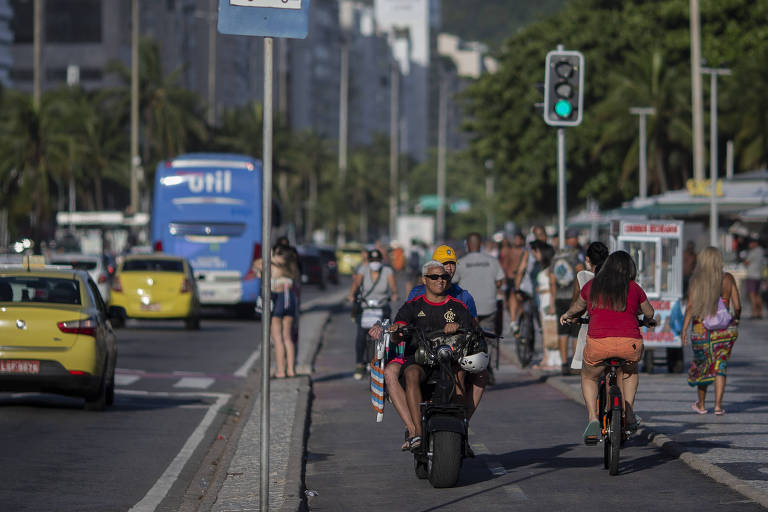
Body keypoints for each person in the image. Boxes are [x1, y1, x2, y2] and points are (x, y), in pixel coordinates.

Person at [371, 260, 475, 450]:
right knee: (410, 374)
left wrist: (458, 327)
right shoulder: (412, 306)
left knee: (463, 372)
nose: (440, 280)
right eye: (434, 277)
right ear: (424, 280)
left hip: (450, 362)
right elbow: (398, 331)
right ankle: (415, 432)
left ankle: (461, 430)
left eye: (443, 277)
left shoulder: (458, 306)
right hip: (420, 362)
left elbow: (471, 330)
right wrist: (395, 331)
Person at [560, 251, 655, 444]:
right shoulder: (634, 287)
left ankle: (593, 418)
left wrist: (567, 316)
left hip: (599, 344)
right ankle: (628, 415)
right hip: (630, 343)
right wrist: (647, 319)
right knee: (629, 372)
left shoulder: (591, 286)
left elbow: (577, 307)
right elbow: (649, 312)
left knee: (589, 376)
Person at [683, 247, 741, 415]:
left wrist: (684, 330)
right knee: (720, 365)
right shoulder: (728, 278)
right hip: (724, 331)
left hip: (701, 330)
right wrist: (736, 318)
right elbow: (737, 306)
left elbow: (690, 307)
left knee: (703, 365)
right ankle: (718, 406)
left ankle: (701, 405)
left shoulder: (696, 280)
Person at [347, 249, 398, 380]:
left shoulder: (387, 271)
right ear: (368, 261)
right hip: (366, 307)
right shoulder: (363, 270)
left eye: (377, 261)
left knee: (387, 333)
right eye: (372, 261)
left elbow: (393, 287)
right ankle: (359, 363)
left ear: (381, 261)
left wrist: (394, 295)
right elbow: (356, 283)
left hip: (381, 306)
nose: (375, 263)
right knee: (360, 334)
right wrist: (351, 295)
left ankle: (386, 360)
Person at [254, 245, 299, 378]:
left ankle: (281, 370)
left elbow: (256, 264)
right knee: (287, 337)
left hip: (277, 297)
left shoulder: (272, 266)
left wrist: (269, 256)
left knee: (277, 338)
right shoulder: (291, 266)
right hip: (289, 298)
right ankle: (291, 369)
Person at [570, 242, 609, 371]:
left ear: (588, 259)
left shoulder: (582, 277)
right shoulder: (614, 278)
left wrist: (573, 317)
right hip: (611, 331)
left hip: (590, 330)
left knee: (589, 376)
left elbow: (576, 304)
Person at [553, 229, 586, 375]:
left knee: (562, 331)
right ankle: (575, 364)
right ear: (569, 239)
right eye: (574, 237)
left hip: (559, 296)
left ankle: (563, 363)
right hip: (573, 297)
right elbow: (580, 273)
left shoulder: (557, 254)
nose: (576, 240)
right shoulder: (576, 254)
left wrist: (554, 296)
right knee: (575, 331)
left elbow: (552, 278)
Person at [532, 241, 560, 370]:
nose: (535, 255)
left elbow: (553, 286)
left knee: (551, 328)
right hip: (542, 299)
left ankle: (554, 359)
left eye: (537, 252)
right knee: (546, 328)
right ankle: (548, 357)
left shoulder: (550, 269)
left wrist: (553, 303)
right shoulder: (543, 268)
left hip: (548, 299)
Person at [499, 233, 526, 332]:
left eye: (519, 239)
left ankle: (519, 319)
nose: (517, 241)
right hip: (511, 277)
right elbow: (505, 265)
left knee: (521, 301)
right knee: (511, 297)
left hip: (522, 279)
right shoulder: (510, 251)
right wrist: (504, 278)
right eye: (516, 239)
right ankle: (513, 320)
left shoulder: (526, 251)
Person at [744, 237, 764, 319]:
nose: (749, 245)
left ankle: (754, 313)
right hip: (759, 275)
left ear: (754, 243)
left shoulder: (753, 252)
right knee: (758, 295)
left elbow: (746, 262)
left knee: (752, 295)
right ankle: (760, 312)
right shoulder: (761, 251)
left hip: (751, 275)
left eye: (750, 243)